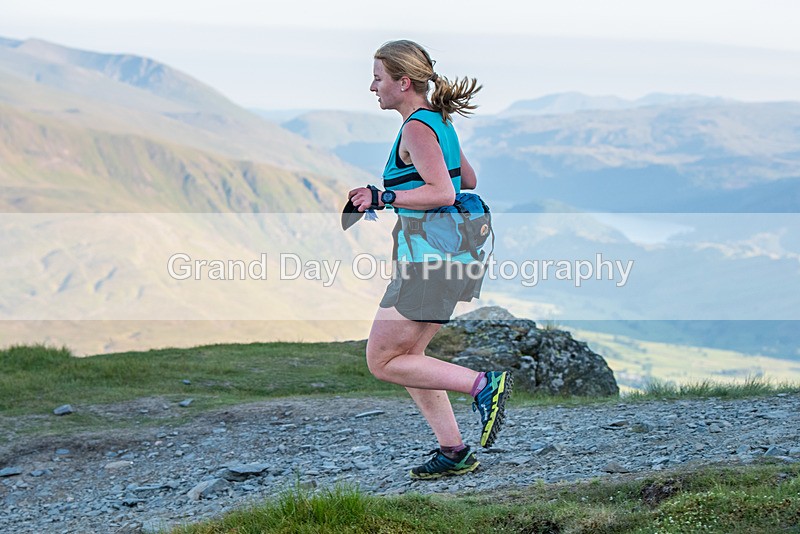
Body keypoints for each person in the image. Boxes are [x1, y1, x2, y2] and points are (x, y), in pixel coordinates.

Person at [348, 40, 512, 480]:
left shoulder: (417, 129)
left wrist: (383, 196)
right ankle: (453, 450)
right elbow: (467, 177)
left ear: (404, 82)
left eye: (379, 78)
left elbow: (444, 192)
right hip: (452, 259)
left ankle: (482, 385)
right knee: (409, 356)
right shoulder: (437, 123)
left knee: (382, 359)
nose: (372, 86)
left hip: (429, 262)